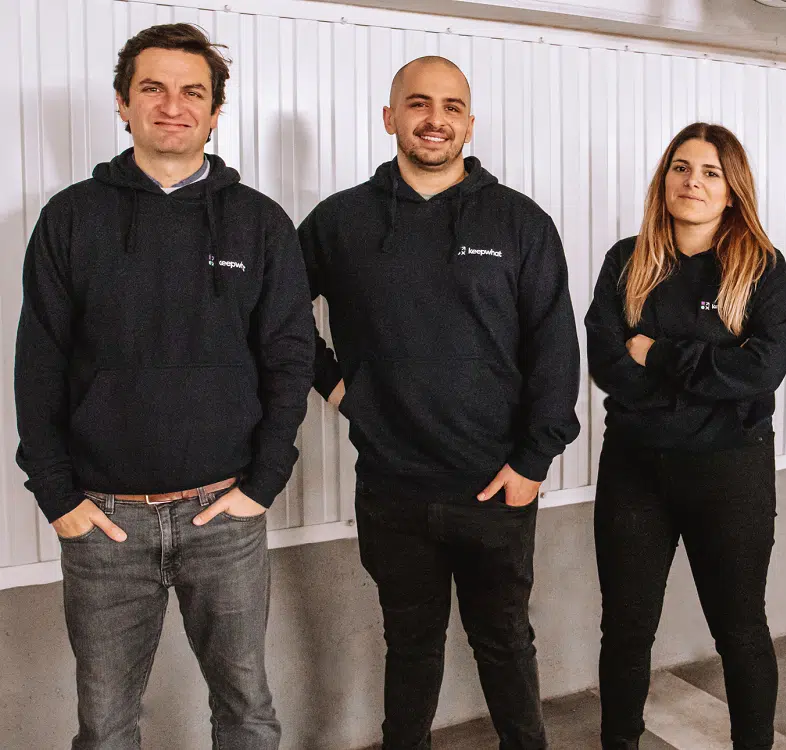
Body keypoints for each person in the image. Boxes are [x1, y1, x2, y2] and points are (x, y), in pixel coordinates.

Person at [14, 22, 315, 750]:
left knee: (247, 713)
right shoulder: (71, 218)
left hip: (224, 515)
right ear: (123, 103)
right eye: (152, 88)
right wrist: (58, 498)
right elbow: (39, 362)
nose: (172, 106)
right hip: (105, 522)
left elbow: (289, 357)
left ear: (215, 111)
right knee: (106, 726)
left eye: (192, 92)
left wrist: (263, 484)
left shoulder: (259, 222)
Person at [298, 56, 581, 749]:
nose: (435, 119)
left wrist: (533, 463)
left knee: (505, 643)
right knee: (410, 648)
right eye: (419, 103)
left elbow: (554, 350)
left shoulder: (520, 222)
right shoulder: (340, 222)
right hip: (392, 489)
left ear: (470, 123)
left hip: (495, 486)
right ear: (390, 117)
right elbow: (277, 318)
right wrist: (339, 388)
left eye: (452, 107)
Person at [585, 122, 786, 750]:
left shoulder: (762, 268)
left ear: (732, 190)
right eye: (681, 167)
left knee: (740, 630)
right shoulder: (627, 261)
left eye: (710, 172)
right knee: (626, 630)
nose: (692, 182)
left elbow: (762, 370)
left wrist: (658, 354)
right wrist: (706, 378)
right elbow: (607, 364)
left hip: (731, 474)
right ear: (664, 178)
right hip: (635, 472)